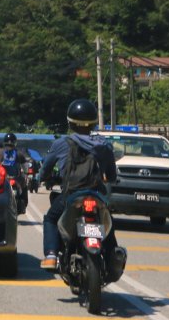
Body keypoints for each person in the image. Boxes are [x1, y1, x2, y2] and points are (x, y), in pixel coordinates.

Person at [38, 98, 123, 273]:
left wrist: (42, 178)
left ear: (70, 122)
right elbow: (112, 174)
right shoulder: (103, 145)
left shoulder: (61, 144)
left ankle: (52, 255)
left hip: (71, 195)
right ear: (93, 122)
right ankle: (112, 256)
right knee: (108, 222)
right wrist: (109, 178)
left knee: (51, 219)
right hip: (97, 195)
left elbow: (45, 169)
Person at [0, 133, 29, 212]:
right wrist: (25, 173)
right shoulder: (19, 154)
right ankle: (23, 204)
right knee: (24, 186)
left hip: (4, 179)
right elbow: (25, 167)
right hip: (15, 178)